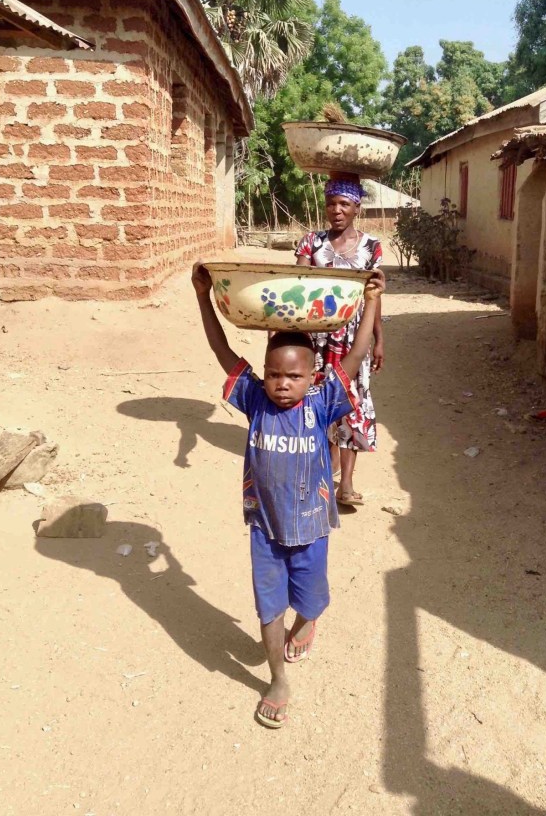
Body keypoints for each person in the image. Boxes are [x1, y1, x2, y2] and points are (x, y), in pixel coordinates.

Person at [191, 261, 385, 728]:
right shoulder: (254, 399)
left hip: (312, 525)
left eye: (293, 377)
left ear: (313, 377)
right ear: (263, 374)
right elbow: (220, 349)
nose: (282, 384)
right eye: (274, 374)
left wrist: (371, 303)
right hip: (265, 527)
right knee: (269, 605)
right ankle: (278, 679)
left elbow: (356, 355)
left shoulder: (323, 402)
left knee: (312, 601)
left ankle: (308, 621)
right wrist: (202, 296)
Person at [295, 174, 384, 506]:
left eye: (344, 204)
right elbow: (298, 286)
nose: (337, 210)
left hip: (353, 338)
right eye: (331, 203)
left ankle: (345, 485)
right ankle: (318, 474)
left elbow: (375, 295)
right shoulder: (311, 243)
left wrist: (378, 338)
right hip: (315, 337)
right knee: (316, 400)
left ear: (357, 207)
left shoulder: (371, 246)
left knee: (351, 402)